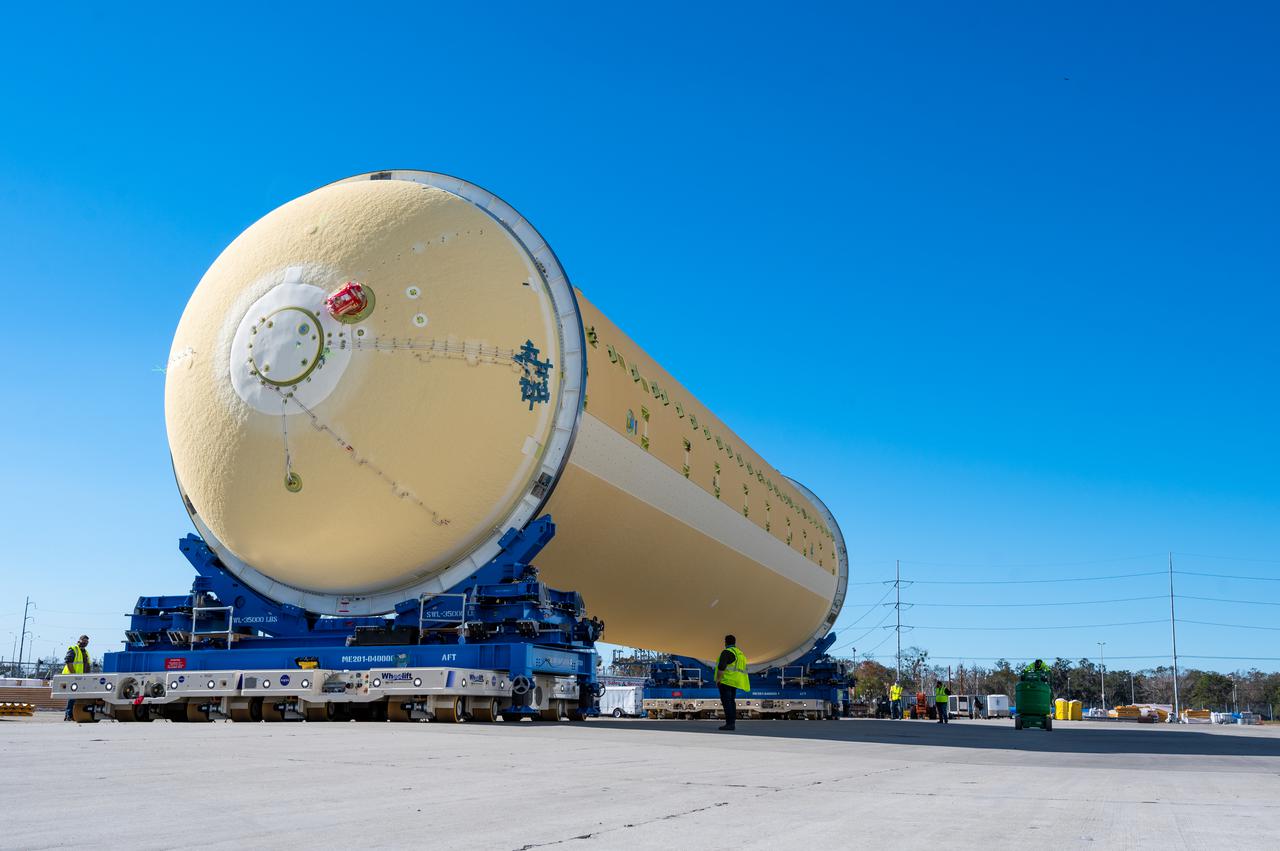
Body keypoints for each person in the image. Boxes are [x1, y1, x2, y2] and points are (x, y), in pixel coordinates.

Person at [714, 634, 751, 731]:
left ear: (725, 642)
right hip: (735, 682)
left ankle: (729, 724)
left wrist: (718, 680)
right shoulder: (740, 654)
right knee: (731, 702)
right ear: (734, 642)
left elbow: (721, 667)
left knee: (727, 703)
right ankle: (732, 723)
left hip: (726, 681)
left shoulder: (727, 652)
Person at [62, 634, 90, 721]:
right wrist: (73, 675)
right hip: (72, 677)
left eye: (86, 642)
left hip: (81, 677)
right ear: (79, 641)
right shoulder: (74, 649)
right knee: (72, 696)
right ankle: (68, 715)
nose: (85, 643)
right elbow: (68, 661)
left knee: (78, 697)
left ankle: (75, 715)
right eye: (83, 641)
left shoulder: (85, 652)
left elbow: (87, 665)